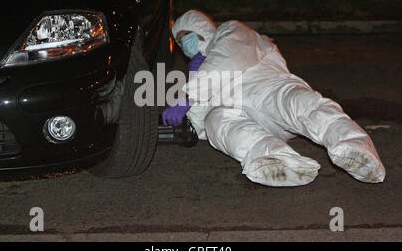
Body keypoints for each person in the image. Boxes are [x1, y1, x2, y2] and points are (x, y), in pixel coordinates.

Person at [162, 10, 386, 187]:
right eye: (180, 42)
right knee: (216, 122)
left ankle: (353, 149)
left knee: (303, 106)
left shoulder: (232, 31)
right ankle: (277, 162)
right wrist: (188, 122)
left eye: (186, 35)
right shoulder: (200, 72)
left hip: (268, 90)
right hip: (239, 113)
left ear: (201, 28)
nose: (185, 44)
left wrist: (187, 98)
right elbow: (201, 122)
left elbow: (224, 63)